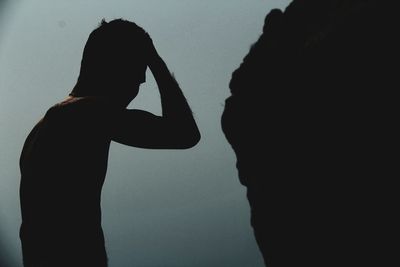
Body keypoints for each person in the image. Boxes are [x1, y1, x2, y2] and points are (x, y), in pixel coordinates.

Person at [19, 19, 200, 267]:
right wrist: (156, 61)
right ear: (114, 68)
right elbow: (184, 134)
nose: (141, 83)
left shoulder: (48, 124)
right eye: (138, 72)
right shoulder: (86, 114)